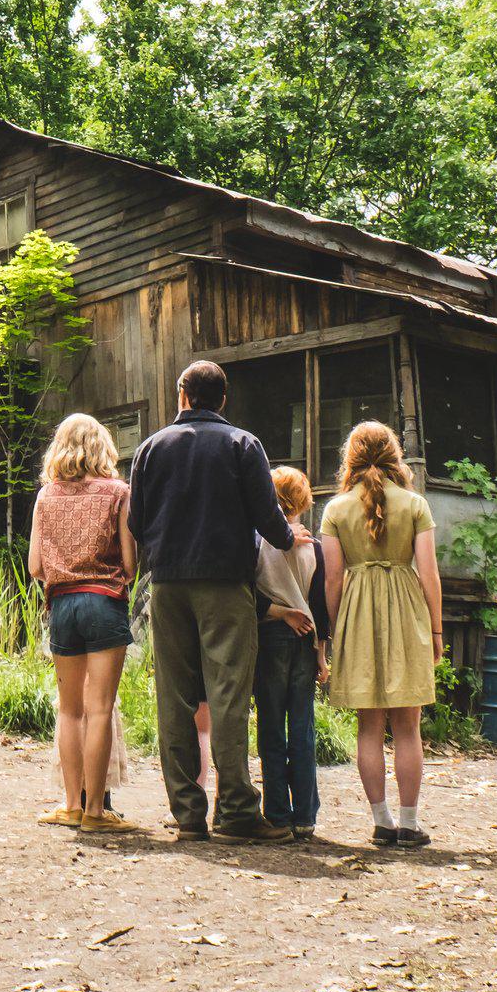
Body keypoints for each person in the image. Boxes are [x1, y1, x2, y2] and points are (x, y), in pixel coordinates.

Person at [128, 360, 295, 844]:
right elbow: (267, 515)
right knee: (228, 696)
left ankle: (188, 815)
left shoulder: (150, 448)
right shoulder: (243, 444)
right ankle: (237, 813)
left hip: (167, 584)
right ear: (223, 399)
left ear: (182, 395)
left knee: (174, 697)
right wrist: (289, 539)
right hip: (225, 583)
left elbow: (136, 521)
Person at [320, 422, 444, 849]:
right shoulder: (415, 504)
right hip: (407, 612)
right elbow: (429, 575)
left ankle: (381, 822)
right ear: (394, 455)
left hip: (357, 613)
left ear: (350, 457)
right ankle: (409, 823)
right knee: (408, 726)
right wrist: (436, 628)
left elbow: (332, 580)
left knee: (368, 726)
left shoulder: (336, 509)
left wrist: (333, 631)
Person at [27, 413, 140, 835]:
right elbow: (130, 563)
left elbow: (35, 565)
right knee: (100, 709)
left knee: (70, 711)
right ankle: (95, 812)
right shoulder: (119, 492)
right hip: (104, 603)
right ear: (101, 447)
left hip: (62, 606)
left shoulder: (45, 496)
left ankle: (71, 806)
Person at [255, 466, 331, 839]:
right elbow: (320, 605)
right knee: (302, 726)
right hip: (305, 640)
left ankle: (276, 813)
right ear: (302, 501)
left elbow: (249, 595)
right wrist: (322, 655)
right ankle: (305, 815)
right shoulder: (314, 547)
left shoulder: (259, 544)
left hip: (269, 635)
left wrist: (279, 613)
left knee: (270, 726)